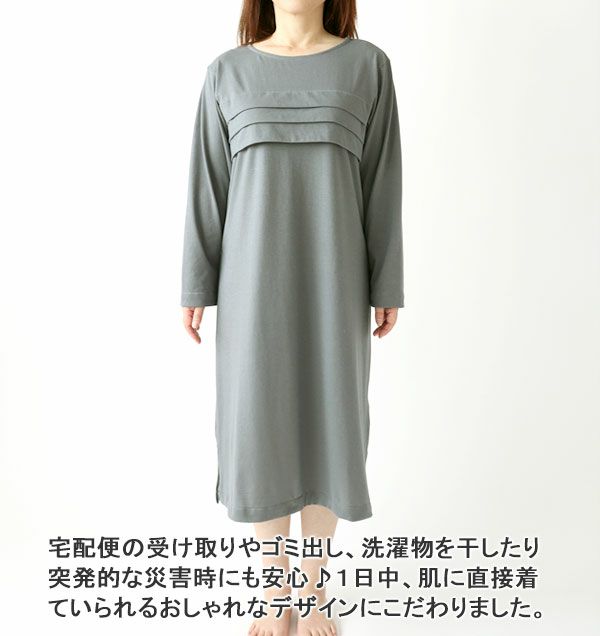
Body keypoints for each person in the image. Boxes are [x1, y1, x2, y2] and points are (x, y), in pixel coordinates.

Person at [180, 1, 404, 634]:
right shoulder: (227, 72)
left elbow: (383, 181)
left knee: (332, 422)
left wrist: (387, 279)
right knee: (258, 426)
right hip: (250, 282)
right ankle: (275, 592)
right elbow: (208, 185)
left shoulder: (368, 66)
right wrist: (196, 281)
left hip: (337, 276)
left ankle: (312, 590)